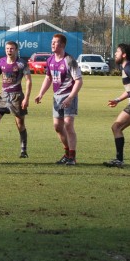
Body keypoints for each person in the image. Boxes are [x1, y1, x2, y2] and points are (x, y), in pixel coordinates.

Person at [34, 33, 83, 165]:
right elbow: (48, 78)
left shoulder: (69, 60)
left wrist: (71, 97)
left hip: (68, 96)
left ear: (62, 45)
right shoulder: (50, 60)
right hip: (56, 98)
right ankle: (67, 154)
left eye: (55, 42)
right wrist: (41, 93)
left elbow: (78, 81)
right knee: (57, 126)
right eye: (52, 42)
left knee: (68, 124)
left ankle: (72, 157)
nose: (52, 44)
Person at [0, 40, 33, 158]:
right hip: (3, 96)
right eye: (7, 48)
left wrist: (26, 98)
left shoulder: (22, 63)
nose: (9, 51)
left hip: (16, 97)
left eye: (12, 49)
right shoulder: (1, 61)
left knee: (20, 124)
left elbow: (28, 81)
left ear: (16, 50)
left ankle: (23, 150)